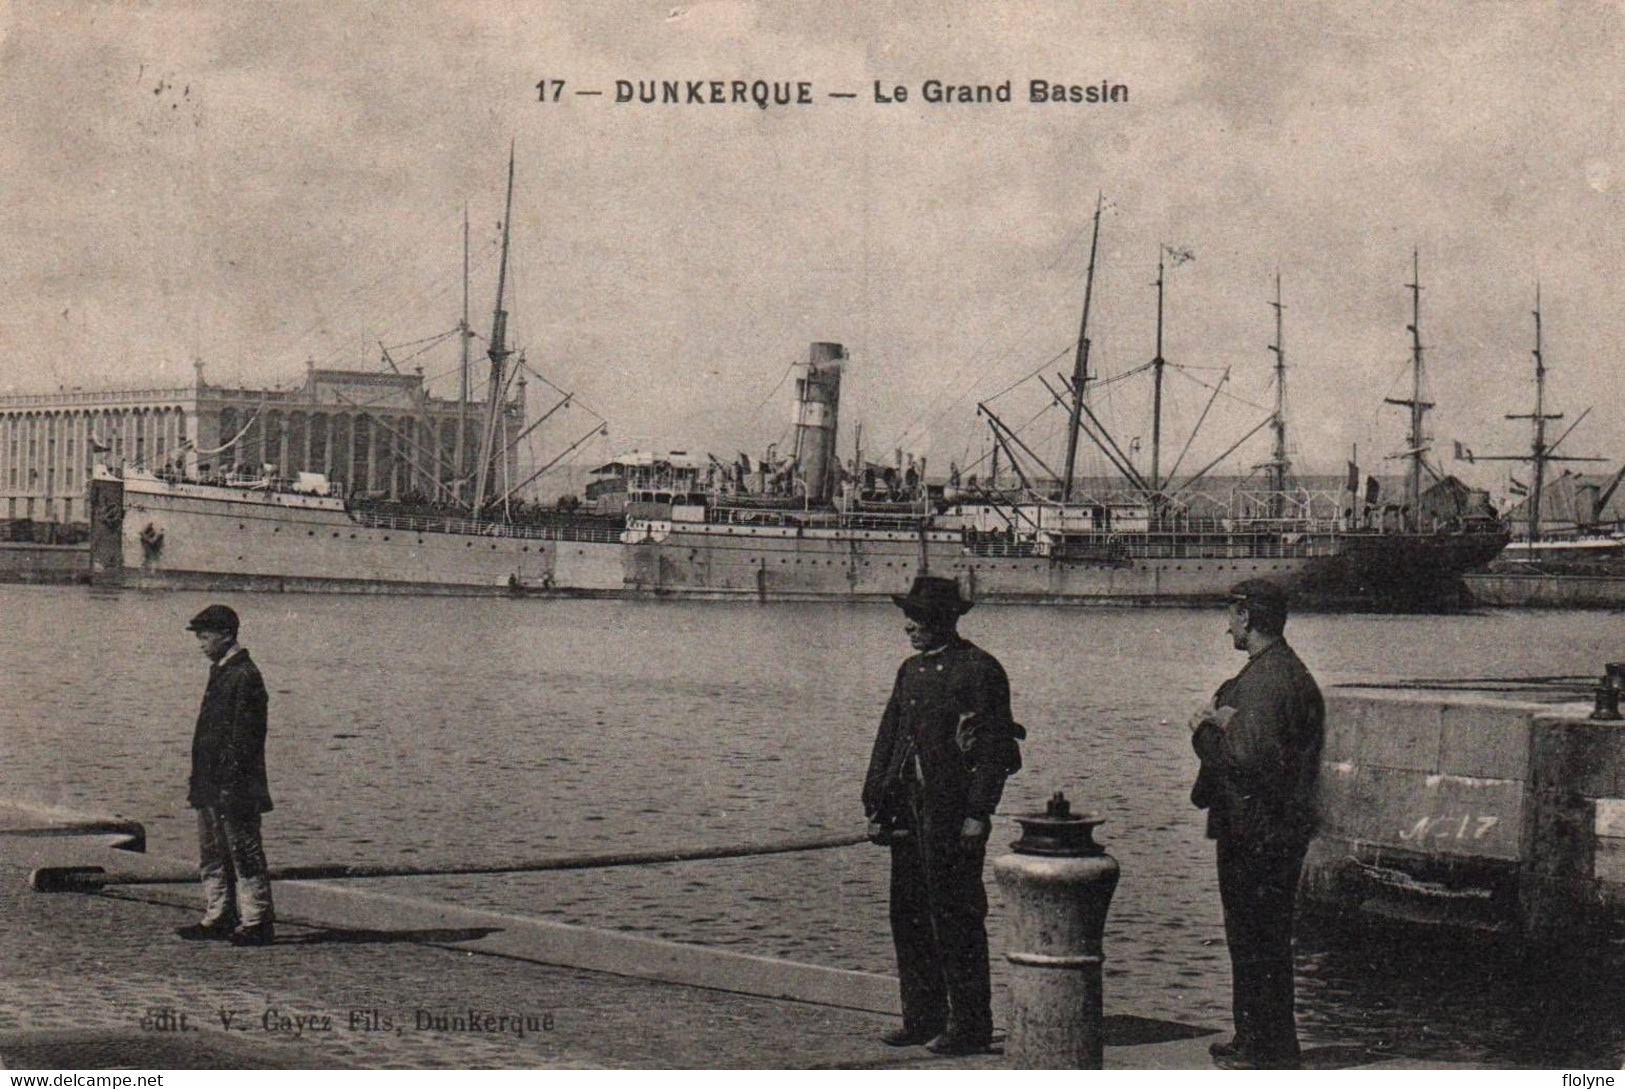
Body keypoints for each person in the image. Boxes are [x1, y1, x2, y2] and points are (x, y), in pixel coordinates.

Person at [862, 576, 1023, 1056]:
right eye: (908, 618)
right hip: (909, 816)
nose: (909, 627)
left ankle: (970, 1024)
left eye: (919, 619)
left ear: (943, 621)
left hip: (953, 818)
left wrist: (979, 813)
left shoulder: (980, 670)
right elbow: (889, 740)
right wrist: (876, 805)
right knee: (908, 916)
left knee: (956, 917)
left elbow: (997, 751)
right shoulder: (909, 671)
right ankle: (922, 1016)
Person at [1189, 578, 1324, 1069]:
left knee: (1256, 939)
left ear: (1247, 617)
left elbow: (1243, 762)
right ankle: (1257, 1039)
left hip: (1256, 834)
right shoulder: (1281, 673)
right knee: (1257, 938)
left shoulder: (1267, 681)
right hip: (1269, 831)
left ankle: (1265, 1048)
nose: (1227, 626)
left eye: (1232, 615)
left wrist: (1203, 730)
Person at [175, 604, 276, 946]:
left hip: (235, 786)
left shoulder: (244, 675)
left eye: (205, 637)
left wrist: (230, 785)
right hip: (210, 785)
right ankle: (220, 914)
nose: (200, 644)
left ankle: (257, 920)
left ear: (227, 636)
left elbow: (245, 740)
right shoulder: (224, 670)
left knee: (244, 851)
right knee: (213, 850)